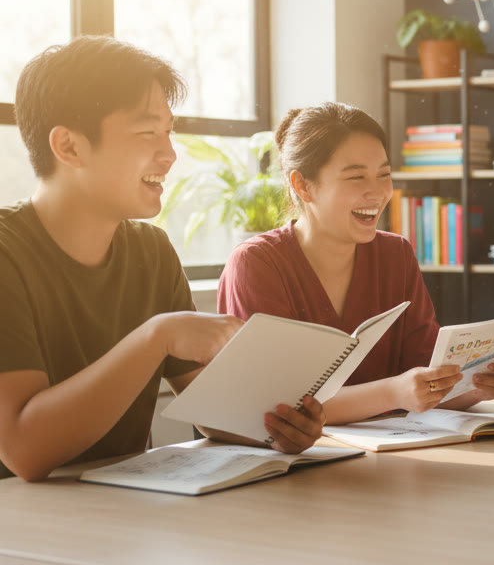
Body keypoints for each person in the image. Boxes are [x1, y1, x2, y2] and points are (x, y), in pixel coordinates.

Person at [0, 36, 325, 482]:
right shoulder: (6, 253)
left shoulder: (151, 251)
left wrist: (278, 427)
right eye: (146, 132)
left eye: (168, 131)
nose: (170, 154)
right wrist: (159, 335)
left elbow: (211, 410)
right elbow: (24, 451)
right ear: (69, 147)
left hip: (123, 513)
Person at [218, 102, 494, 424]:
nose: (377, 192)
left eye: (384, 174)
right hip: (296, 461)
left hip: (389, 457)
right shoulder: (257, 263)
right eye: (356, 177)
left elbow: (423, 382)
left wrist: (475, 387)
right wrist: (392, 393)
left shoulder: (395, 254)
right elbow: (275, 404)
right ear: (302, 185)